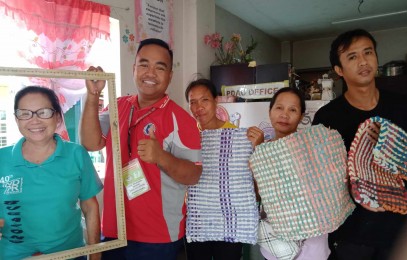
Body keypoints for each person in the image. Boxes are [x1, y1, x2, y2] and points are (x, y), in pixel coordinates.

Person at [80, 38, 202, 260]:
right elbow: (90, 143)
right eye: (144, 64)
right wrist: (92, 96)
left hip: (157, 237)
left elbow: (193, 175)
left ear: (170, 76)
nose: (150, 73)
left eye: (160, 67)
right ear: (134, 68)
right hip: (114, 230)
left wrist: (161, 157)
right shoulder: (117, 107)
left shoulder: (181, 119)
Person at [312, 28, 407, 260]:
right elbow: (320, 177)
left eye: (368, 52)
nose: (363, 61)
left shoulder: (403, 106)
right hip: (350, 232)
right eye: (352, 56)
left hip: (395, 229)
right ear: (339, 70)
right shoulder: (327, 118)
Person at [0, 86, 102, 260]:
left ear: (57, 116)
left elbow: (90, 206)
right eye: (25, 113)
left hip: (69, 254)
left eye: (44, 112)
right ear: (16, 119)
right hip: (14, 255)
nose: (35, 120)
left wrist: (95, 254)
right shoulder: (2, 158)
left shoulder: (76, 154)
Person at [184, 78, 263, 260]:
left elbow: (254, 175)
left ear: (215, 100)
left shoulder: (237, 137)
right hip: (198, 217)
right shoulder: (188, 136)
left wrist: (259, 147)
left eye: (204, 100)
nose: (199, 107)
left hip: (231, 219)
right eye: (193, 102)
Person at [253, 87, 330, 260]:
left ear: (302, 116)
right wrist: (259, 153)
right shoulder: (260, 149)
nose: (284, 115)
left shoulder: (313, 147)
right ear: (270, 111)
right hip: (276, 245)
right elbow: (257, 194)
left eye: (292, 110)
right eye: (279, 108)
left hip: (311, 246)